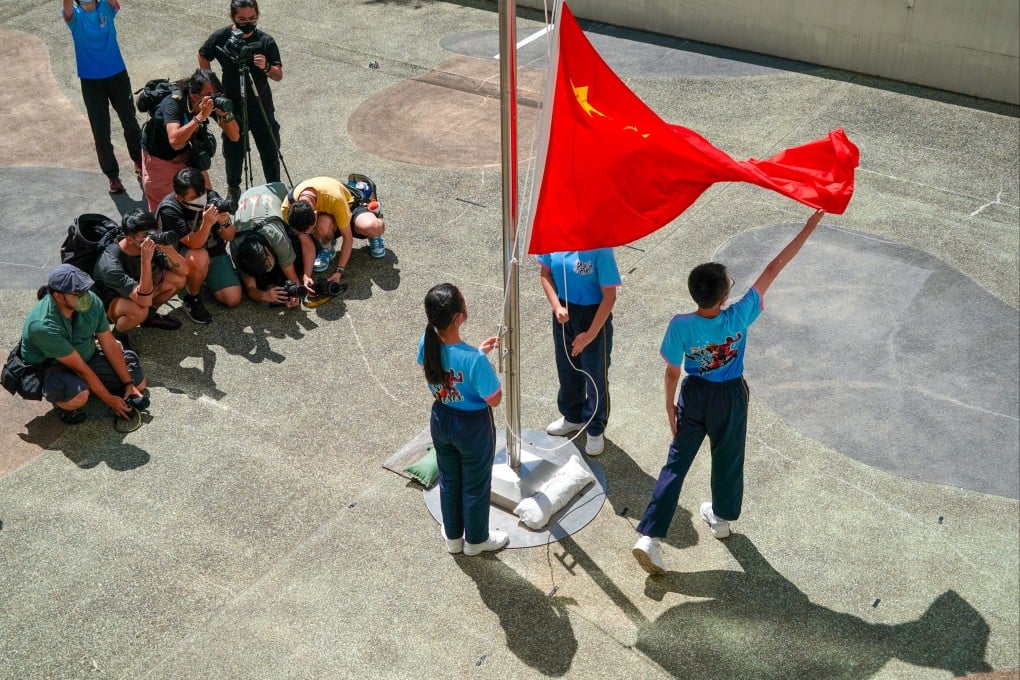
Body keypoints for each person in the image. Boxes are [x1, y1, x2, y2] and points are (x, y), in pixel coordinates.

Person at [632, 209, 826, 575]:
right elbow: (773, 269)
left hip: (694, 396)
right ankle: (720, 520)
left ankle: (649, 537)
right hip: (731, 397)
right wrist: (808, 227)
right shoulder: (739, 316)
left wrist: (670, 408)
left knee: (676, 465)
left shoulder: (681, 325)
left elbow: (672, 373)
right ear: (723, 295)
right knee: (728, 458)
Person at [418, 283, 507, 556]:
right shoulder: (474, 360)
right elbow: (494, 399)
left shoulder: (427, 342)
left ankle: (454, 537)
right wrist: (481, 360)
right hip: (472, 426)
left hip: (441, 417)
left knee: (450, 479)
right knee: (476, 484)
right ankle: (477, 540)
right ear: (459, 317)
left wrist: (477, 354)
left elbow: (445, 367)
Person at [20, 264, 146, 424]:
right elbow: (79, 368)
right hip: (52, 366)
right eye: (78, 293)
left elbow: (108, 342)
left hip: (86, 357)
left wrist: (128, 384)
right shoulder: (42, 326)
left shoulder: (90, 301)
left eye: (85, 290)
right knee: (78, 396)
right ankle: (63, 400)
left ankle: (92, 386)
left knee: (138, 384)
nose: (85, 296)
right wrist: (110, 400)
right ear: (58, 296)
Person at [536, 249, 621, 456]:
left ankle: (595, 427)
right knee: (566, 367)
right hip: (564, 313)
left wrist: (590, 334)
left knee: (595, 375)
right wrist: (556, 306)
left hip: (592, 314)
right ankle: (573, 416)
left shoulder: (601, 249)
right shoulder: (555, 241)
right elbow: (545, 273)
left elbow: (609, 297)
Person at [198, 0, 283, 203]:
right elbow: (203, 55)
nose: (248, 23)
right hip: (231, 107)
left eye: (252, 19)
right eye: (242, 19)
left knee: (270, 150)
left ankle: (276, 189)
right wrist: (213, 88)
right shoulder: (221, 37)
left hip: (261, 107)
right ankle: (233, 189)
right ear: (233, 18)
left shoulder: (265, 41)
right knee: (234, 153)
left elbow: (278, 75)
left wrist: (266, 66)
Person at [61, 0, 142, 194]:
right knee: (101, 130)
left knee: (129, 121)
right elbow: (67, 6)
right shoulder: (75, 17)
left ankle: (139, 162)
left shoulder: (106, 7)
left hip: (117, 75)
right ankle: (113, 176)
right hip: (91, 81)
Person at [140, 68, 239, 211]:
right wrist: (200, 117)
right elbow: (175, 140)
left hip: (185, 153)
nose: (214, 99)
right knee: (165, 204)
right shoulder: (172, 104)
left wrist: (226, 114)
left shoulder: (207, 103)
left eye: (217, 94)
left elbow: (235, 136)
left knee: (205, 196)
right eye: (210, 95)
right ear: (194, 96)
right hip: (159, 156)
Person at [155, 168, 241, 324]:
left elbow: (230, 236)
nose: (201, 199)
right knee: (200, 256)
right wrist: (207, 224)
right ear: (179, 197)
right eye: (194, 197)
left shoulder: (212, 198)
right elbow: (194, 244)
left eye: (202, 194)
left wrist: (225, 222)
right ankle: (192, 298)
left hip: (213, 251)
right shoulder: (170, 210)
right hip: (182, 256)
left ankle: (202, 275)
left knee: (233, 299)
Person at [92, 209, 189, 342]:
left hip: (138, 291)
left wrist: (170, 251)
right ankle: (117, 337)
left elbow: (184, 271)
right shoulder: (110, 263)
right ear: (130, 240)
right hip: (108, 303)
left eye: (154, 232)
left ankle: (150, 318)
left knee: (177, 280)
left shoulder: (147, 246)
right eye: (146, 235)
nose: (152, 237)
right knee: (139, 310)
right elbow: (144, 301)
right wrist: (145, 260)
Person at [281, 176, 387, 282]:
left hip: (348, 205)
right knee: (322, 226)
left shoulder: (334, 198)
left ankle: (373, 226)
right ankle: (327, 246)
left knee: (374, 227)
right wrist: (307, 276)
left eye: (310, 230)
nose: (309, 233)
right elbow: (307, 244)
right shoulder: (287, 209)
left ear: (315, 214)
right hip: (328, 216)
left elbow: (347, 238)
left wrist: (339, 271)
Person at [231, 182, 308, 307]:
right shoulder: (236, 246)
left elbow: (293, 276)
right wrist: (264, 295)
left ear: (267, 250)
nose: (267, 268)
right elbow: (251, 287)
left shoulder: (274, 235)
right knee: (262, 282)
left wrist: (296, 293)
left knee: (305, 227)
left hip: (280, 191)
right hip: (248, 195)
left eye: (266, 264)